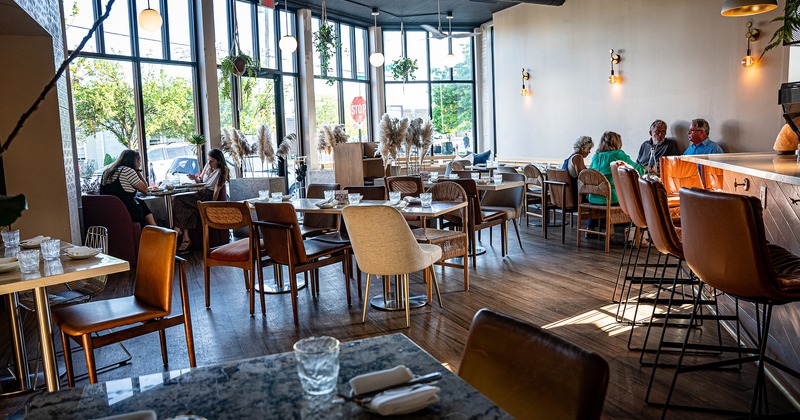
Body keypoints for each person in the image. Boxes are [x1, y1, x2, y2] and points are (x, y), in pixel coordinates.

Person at [172, 148, 230, 253]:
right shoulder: (207, 166)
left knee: (178, 199)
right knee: (186, 206)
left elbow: (217, 188)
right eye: (208, 160)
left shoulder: (223, 170)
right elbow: (200, 181)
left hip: (207, 195)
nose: (209, 163)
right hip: (200, 193)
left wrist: (211, 205)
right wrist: (194, 178)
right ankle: (186, 237)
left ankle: (179, 229)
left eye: (212, 161)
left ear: (219, 161)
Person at [100, 150, 156, 226]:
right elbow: (145, 189)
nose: (140, 163)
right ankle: (155, 229)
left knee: (141, 203)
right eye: (138, 160)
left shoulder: (107, 172)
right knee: (141, 206)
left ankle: (155, 228)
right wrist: (138, 171)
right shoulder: (128, 171)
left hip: (107, 211)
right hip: (125, 211)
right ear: (135, 160)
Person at [588, 131, 644, 206]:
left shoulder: (596, 157)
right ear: (616, 143)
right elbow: (637, 170)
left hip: (593, 198)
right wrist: (647, 168)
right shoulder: (618, 154)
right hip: (612, 199)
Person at [562, 135, 594, 204]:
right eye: (589, 149)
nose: (589, 152)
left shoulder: (570, 158)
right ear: (583, 148)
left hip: (565, 196)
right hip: (575, 198)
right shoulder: (578, 158)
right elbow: (582, 178)